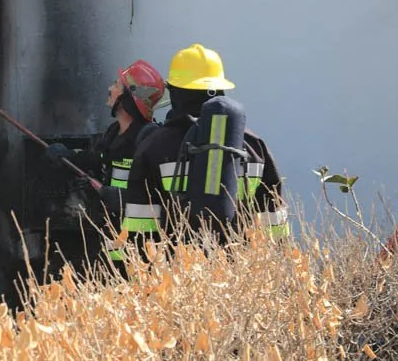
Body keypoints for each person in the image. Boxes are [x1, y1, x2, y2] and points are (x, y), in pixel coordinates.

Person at [119, 44, 288, 257]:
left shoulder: (154, 146)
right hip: (239, 273)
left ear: (176, 92)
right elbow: (273, 223)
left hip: (178, 276)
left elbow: (140, 227)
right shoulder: (254, 146)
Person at [43, 59, 166, 274]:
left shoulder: (147, 139)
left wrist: (115, 195)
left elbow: (154, 192)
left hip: (140, 238)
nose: (110, 88)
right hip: (114, 228)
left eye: (117, 85)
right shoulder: (113, 132)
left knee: (135, 287)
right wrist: (67, 156)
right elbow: (97, 158)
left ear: (129, 99)